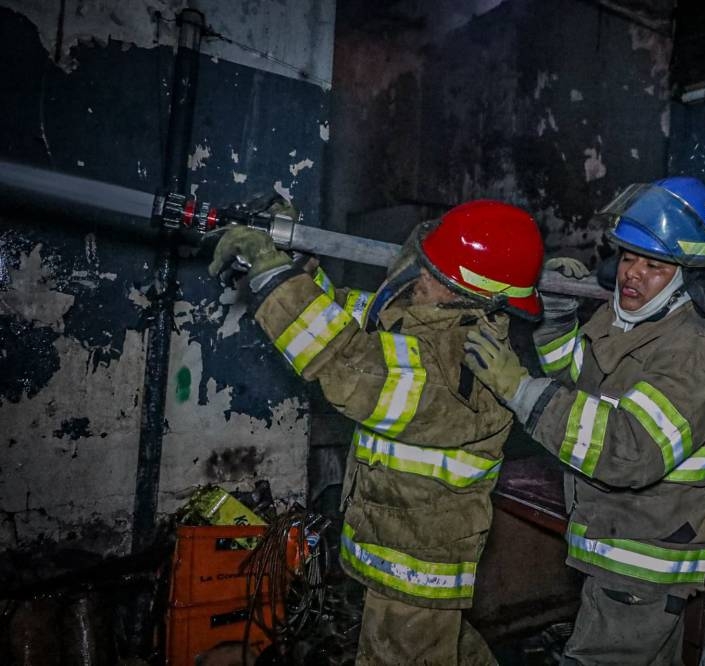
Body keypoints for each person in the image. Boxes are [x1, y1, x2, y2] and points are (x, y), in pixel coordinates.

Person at [208, 199, 545, 665]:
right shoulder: (436, 322)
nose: (417, 275)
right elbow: (350, 318)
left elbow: (346, 360)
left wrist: (271, 273)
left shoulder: (452, 361)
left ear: (461, 290)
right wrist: (297, 263)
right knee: (448, 652)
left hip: (417, 562)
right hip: (402, 542)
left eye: (430, 269)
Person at [464, 177, 705, 665]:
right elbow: (576, 380)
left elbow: (627, 450)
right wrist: (555, 320)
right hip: (612, 546)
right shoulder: (631, 325)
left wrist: (517, 388)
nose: (633, 274)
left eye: (654, 265)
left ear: (689, 277)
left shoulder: (695, 354)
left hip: (641, 568)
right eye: (629, 258)